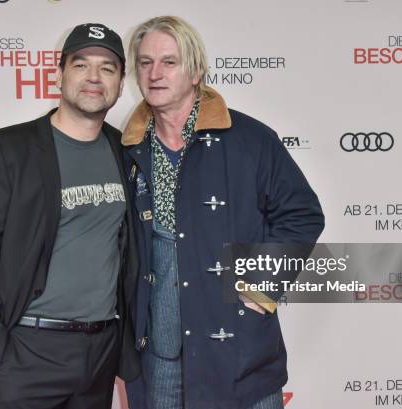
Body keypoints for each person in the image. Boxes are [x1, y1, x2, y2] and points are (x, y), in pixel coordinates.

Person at [122, 16, 324, 409]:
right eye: (145, 63)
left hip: (238, 353)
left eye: (169, 61)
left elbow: (302, 213)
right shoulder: (128, 149)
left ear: (195, 70)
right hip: (158, 359)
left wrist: (261, 282)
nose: (155, 73)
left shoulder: (250, 140)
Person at [0, 23, 139, 409]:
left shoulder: (126, 151)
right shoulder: (6, 148)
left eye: (107, 68)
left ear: (121, 84)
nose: (93, 77)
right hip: (26, 352)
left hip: (100, 354)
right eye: (81, 64)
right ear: (59, 74)